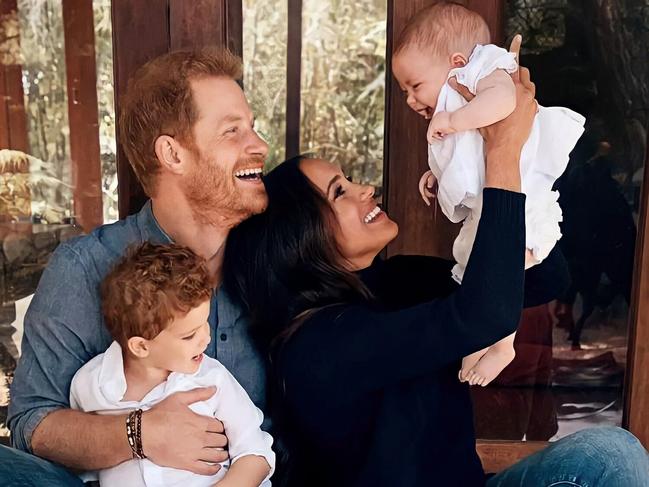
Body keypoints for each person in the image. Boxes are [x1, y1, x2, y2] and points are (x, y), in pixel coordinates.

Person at [223, 42, 649, 486]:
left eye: (349, 179)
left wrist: (508, 162)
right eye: (340, 192)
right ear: (299, 241)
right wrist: (500, 152)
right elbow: (484, 315)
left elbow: (545, 279)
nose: (365, 189)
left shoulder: (399, 280)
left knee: (609, 456)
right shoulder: (318, 346)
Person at [2, 47, 270, 486]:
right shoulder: (85, 267)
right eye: (232, 131)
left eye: (253, 128)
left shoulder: (268, 258)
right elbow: (32, 423)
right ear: (172, 154)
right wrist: (140, 434)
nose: (259, 145)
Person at [391, 2, 585, 386]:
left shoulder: (487, 70)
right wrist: (436, 173)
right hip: (495, 199)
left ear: (458, 61)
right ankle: (482, 335)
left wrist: (452, 119)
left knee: (505, 265)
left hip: (523, 196)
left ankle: (503, 343)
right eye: (404, 92)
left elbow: (504, 103)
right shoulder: (460, 96)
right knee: (472, 264)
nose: (412, 100)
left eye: (415, 86)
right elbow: (471, 154)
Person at [70, 243, 274, 486]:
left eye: (205, 323)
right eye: (189, 335)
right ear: (141, 346)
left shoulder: (211, 380)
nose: (206, 338)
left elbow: (256, 453)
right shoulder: (89, 386)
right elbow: (83, 466)